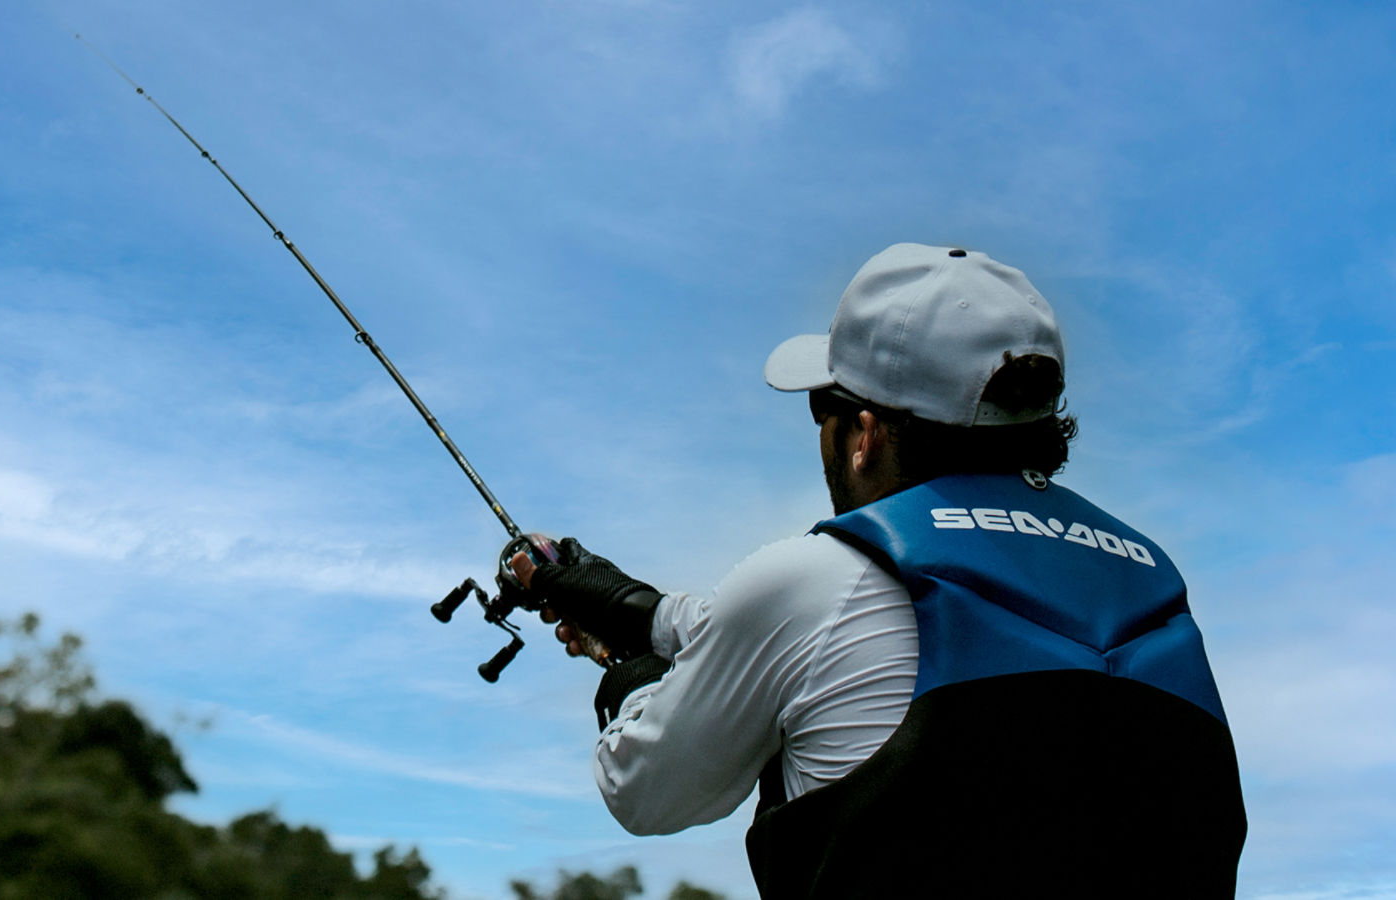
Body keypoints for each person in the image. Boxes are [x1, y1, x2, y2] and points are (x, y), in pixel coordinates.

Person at [511, 243, 1246, 898]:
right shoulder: (1147, 583)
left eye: (824, 409)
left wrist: (632, 683)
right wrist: (635, 603)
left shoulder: (809, 583)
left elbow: (644, 792)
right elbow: (883, 633)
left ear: (864, 434)